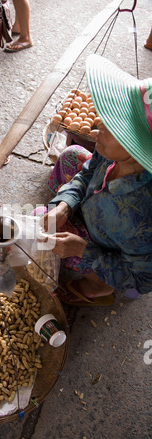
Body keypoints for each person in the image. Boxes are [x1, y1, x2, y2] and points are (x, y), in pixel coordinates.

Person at [41, 54, 152, 306]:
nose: (98, 125)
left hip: (107, 249)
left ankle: (99, 286)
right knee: (72, 155)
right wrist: (65, 205)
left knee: (41, 228)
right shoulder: (112, 156)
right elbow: (87, 172)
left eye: (112, 127)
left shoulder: (141, 217)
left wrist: (82, 250)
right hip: (96, 209)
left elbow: (142, 279)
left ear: (136, 149)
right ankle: (70, 213)